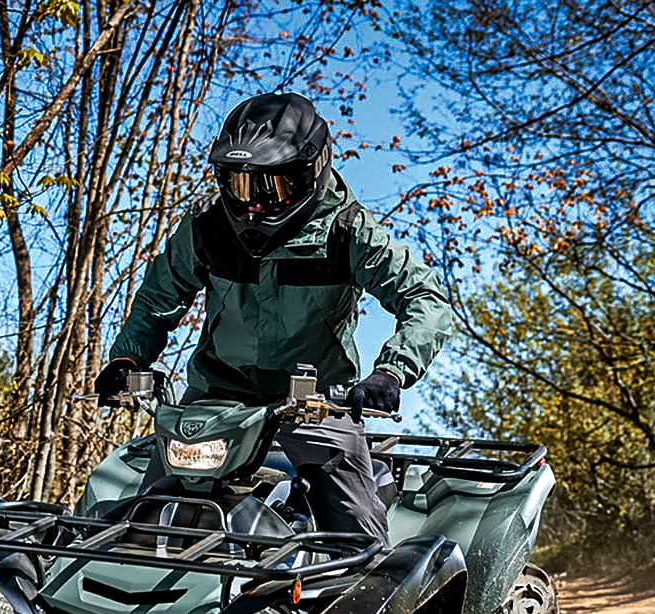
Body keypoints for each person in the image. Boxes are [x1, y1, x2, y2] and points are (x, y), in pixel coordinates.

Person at [95, 92, 452, 542]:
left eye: (272, 185)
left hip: (317, 408)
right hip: (214, 404)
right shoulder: (205, 227)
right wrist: (127, 361)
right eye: (240, 184)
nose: (254, 204)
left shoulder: (348, 230)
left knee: (356, 534)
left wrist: (391, 372)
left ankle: (360, 593)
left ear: (310, 173)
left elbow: (426, 299)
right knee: (140, 523)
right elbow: (156, 299)